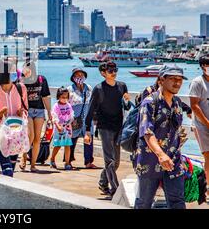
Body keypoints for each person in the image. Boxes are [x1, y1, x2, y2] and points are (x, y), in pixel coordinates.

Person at [134, 65, 188, 209]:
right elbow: (147, 132)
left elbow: (176, 130)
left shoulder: (177, 102)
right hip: (149, 161)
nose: (177, 83)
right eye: (172, 79)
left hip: (173, 161)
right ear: (161, 80)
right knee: (144, 202)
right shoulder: (150, 102)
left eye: (180, 79)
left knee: (177, 201)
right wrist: (161, 154)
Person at [85, 61, 131, 196]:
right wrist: (88, 131)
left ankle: (103, 182)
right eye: (110, 71)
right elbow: (90, 110)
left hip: (118, 126)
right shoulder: (98, 89)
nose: (114, 73)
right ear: (103, 73)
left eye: (115, 70)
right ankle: (116, 190)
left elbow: (126, 107)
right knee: (109, 161)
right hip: (104, 127)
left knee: (115, 162)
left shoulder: (122, 86)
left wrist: (127, 101)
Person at [0, 58, 28, 177]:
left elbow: (26, 110)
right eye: (12, 71)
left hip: (17, 137)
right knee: (7, 170)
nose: (15, 73)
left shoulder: (21, 88)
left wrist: (22, 113)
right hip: (0, 137)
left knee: (10, 172)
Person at [19, 61, 52, 172]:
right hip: (27, 111)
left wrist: (49, 112)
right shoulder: (21, 81)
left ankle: (33, 165)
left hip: (39, 110)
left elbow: (46, 96)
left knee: (37, 138)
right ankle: (23, 157)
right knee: (30, 136)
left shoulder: (41, 79)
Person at [67, 68, 97, 169]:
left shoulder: (88, 88)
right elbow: (66, 104)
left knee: (89, 138)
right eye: (77, 75)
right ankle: (68, 160)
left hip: (87, 118)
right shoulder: (70, 89)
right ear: (73, 78)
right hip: (74, 118)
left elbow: (93, 102)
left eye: (81, 75)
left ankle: (88, 161)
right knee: (72, 139)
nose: (80, 77)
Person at [189, 54, 209, 189]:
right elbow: (194, 105)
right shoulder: (197, 82)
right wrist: (207, 123)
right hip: (202, 125)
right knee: (208, 156)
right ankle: (207, 188)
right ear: (203, 67)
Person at [49, 87, 74, 170]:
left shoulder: (68, 105)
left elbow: (71, 115)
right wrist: (57, 125)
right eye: (63, 97)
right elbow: (54, 116)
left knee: (68, 145)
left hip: (67, 128)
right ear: (58, 97)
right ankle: (52, 159)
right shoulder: (56, 106)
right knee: (58, 145)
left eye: (67, 97)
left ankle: (67, 163)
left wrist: (71, 121)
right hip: (59, 128)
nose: (65, 99)